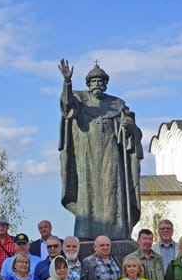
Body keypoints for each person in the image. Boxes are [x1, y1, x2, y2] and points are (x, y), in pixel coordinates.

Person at [59, 59, 143, 239]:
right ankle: (86, 233)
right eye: (93, 81)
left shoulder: (117, 104)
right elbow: (67, 107)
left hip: (110, 153)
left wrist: (127, 125)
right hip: (86, 153)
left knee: (112, 188)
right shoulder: (80, 100)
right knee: (87, 191)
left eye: (100, 81)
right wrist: (67, 82)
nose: (97, 84)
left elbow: (131, 124)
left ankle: (116, 233)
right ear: (88, 85)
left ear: (105, 85)